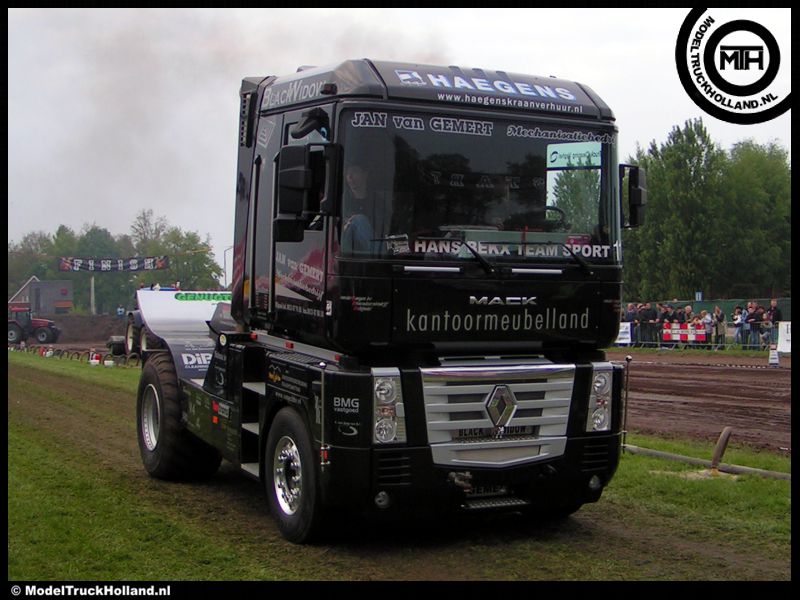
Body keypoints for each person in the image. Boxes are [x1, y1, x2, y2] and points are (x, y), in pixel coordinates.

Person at [340, 163, 378, 254]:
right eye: (347, 173)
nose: (350, 177)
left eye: (354, 172)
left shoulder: (377, 202)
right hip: (348, 252)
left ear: (365, 174)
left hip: (372, 246)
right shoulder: (340, 202)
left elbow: (387, 228)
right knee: (359, 220)